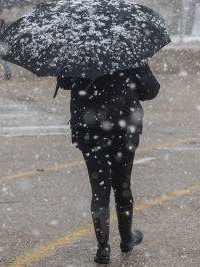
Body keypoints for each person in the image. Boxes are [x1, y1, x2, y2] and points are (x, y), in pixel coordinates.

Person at [56, 66, 160, 264]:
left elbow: (64, 82)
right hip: (123, 126)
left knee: (99, 189)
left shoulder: (78, 52)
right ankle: (126, 238)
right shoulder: (128, 50)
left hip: (90, 128)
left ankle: (103, 248)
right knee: (123, 185)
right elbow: (151, 89)